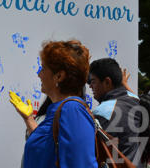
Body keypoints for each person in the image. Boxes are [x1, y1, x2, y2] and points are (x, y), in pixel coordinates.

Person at [10, 40, 98, 168]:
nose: (39, 74)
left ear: (59, 76)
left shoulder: (72, 110)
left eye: (43, 68)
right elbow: (48, 148)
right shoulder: (60, 110)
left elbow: (81, 163)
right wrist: (29, 119)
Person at [89, 58, 141, 166]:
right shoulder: (135, 101)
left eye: (93, 81)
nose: (90, 86)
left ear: (107, 82)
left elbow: (92, 152)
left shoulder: (102, 112)